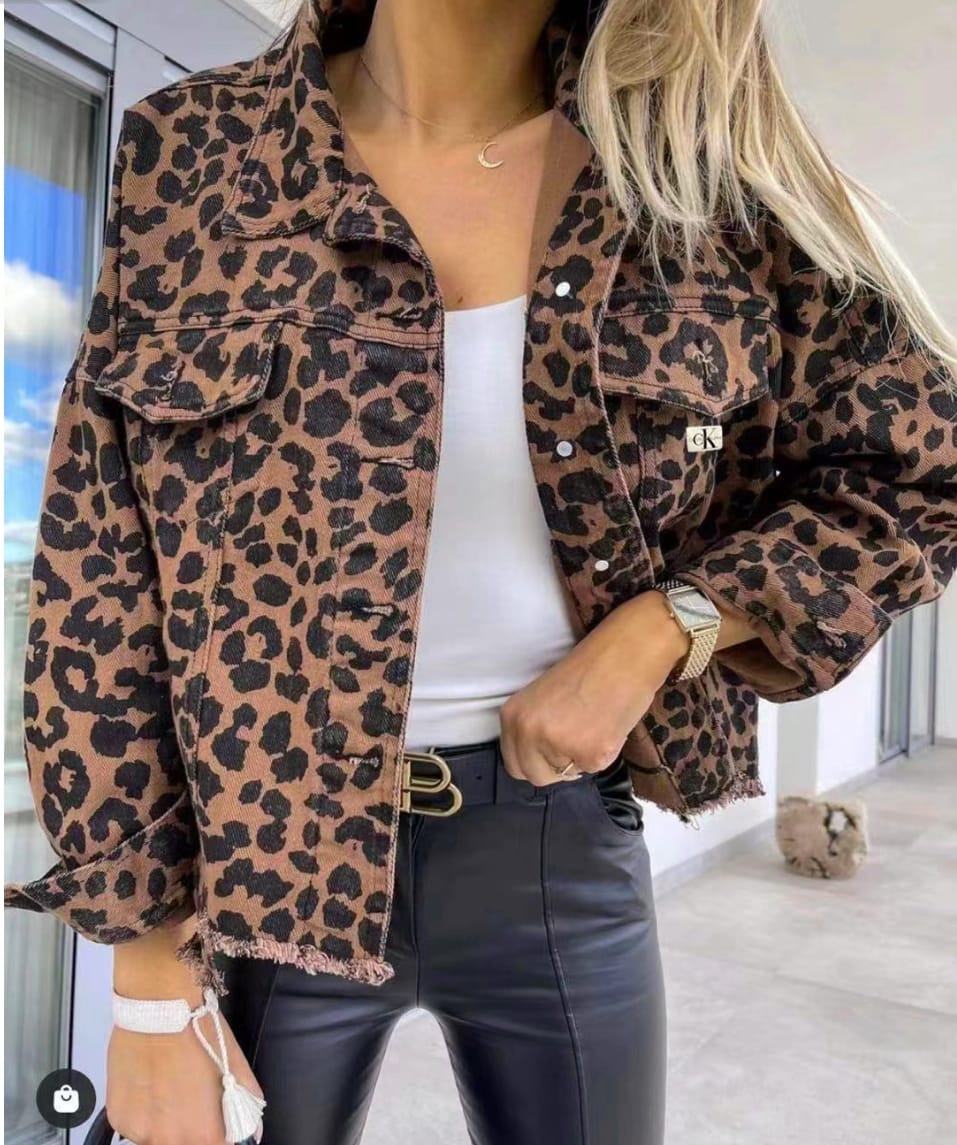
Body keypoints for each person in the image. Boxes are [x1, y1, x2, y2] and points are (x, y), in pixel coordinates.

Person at [5, 0, 955, 1142]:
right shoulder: (195, 149)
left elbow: (917, 473)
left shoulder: (693, 188)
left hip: (555, 847)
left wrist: (670, 623)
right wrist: (149, 985)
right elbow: (98, 574)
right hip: (255, 863)